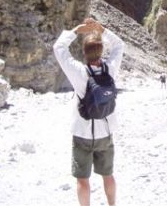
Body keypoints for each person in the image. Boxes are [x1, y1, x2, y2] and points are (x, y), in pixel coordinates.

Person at [53, 17, 124, 206]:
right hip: (106, 132)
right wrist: (102, 30)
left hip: (82, 133)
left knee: (82, 180)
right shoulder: (110, 69)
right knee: (108, 175)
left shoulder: (78, 72)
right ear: (101, 51)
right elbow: (119, 46)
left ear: (84, 53)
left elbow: (59, 48)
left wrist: (77, 30)